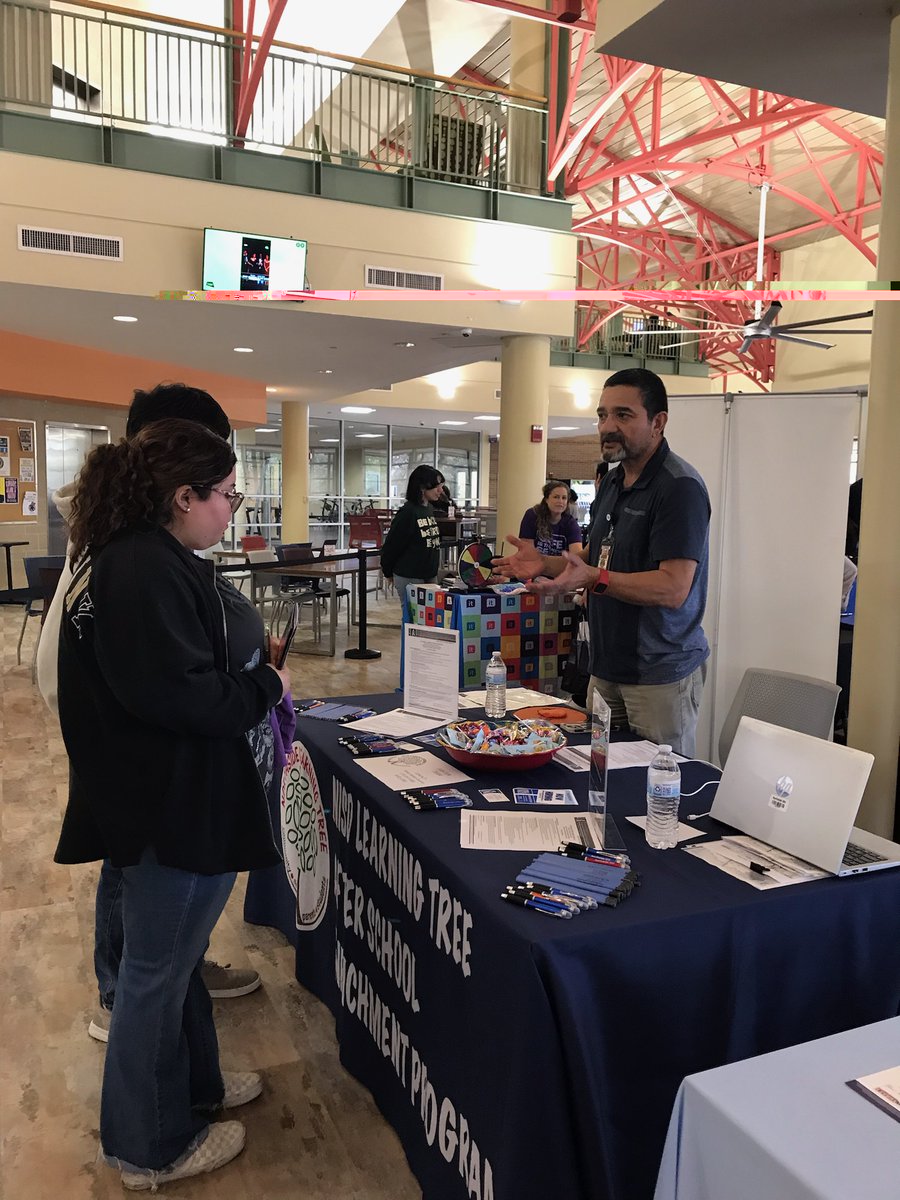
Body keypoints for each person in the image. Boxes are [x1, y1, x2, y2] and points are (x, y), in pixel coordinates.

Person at [55, 418, 291, 1188]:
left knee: (177, 964)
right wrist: (265, 686)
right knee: (156, 975)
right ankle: (147, 1145)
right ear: (182, 495)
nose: (233, 510)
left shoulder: (137, 557)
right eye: (226, 495)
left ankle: (195, 1091)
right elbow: (183, 698)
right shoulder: (142, 570)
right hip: (168, 803)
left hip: (160, 796)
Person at [36, 384, 263, 1043]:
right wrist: (256, 691)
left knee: (147, 901)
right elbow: (173, 687)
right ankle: (127, 993)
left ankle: (157, 984)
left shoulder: (135, 541)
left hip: (138, 748)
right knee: (137, 893)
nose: (228, 502)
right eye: (220, 483)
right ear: (178, 479)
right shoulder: (132, 554)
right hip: (143, 758)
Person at [495, 368, 710, 757]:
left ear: (657, 422)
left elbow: (674, 587)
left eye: (623, 416)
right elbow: (595, 560)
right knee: (599, 782)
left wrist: (595, 578)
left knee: (653, 794)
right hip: (606, 669)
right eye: (602, 415)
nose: (607, 426)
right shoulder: (612, 484)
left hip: (658, 676)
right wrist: (543, 563)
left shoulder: (679, 488)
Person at [380, 465, 444, 612]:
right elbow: (392, 546)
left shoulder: (428, 509)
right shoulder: (408, 513)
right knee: (412, 618)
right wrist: (388, 572)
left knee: (431, 618)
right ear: (423, 487)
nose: (440, 490)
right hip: (410, 574)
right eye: (437, 486)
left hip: (429, 573)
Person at [517, 479, 583, 558]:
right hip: (533, 566)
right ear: (546, 499)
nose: (560, 501)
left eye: (564, 498)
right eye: (556, 497)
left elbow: (577, 557)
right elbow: (526, 553)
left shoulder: (571, 523)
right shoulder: (532, 515)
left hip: (561, 568)